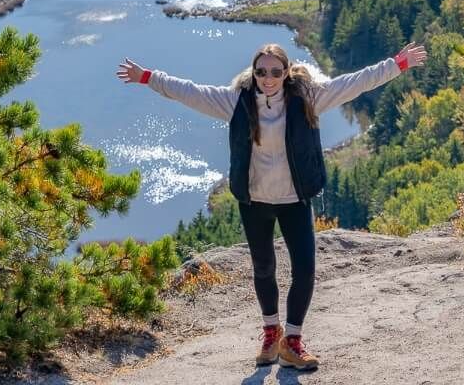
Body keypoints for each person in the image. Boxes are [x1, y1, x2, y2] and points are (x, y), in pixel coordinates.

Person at [116, 42, 427, 370]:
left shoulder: (308, 97)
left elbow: (355, 82)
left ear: (286, 72)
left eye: (275, 72)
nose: (268, 78)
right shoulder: (236, 101)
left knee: (305, 269)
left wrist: (397, 64)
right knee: (263, 269)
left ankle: (292, 341)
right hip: (255, 200)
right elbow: (189, 91)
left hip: (295, 199)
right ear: (253, 72)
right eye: (261, 71)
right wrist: (148, 77)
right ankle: (270, 333)